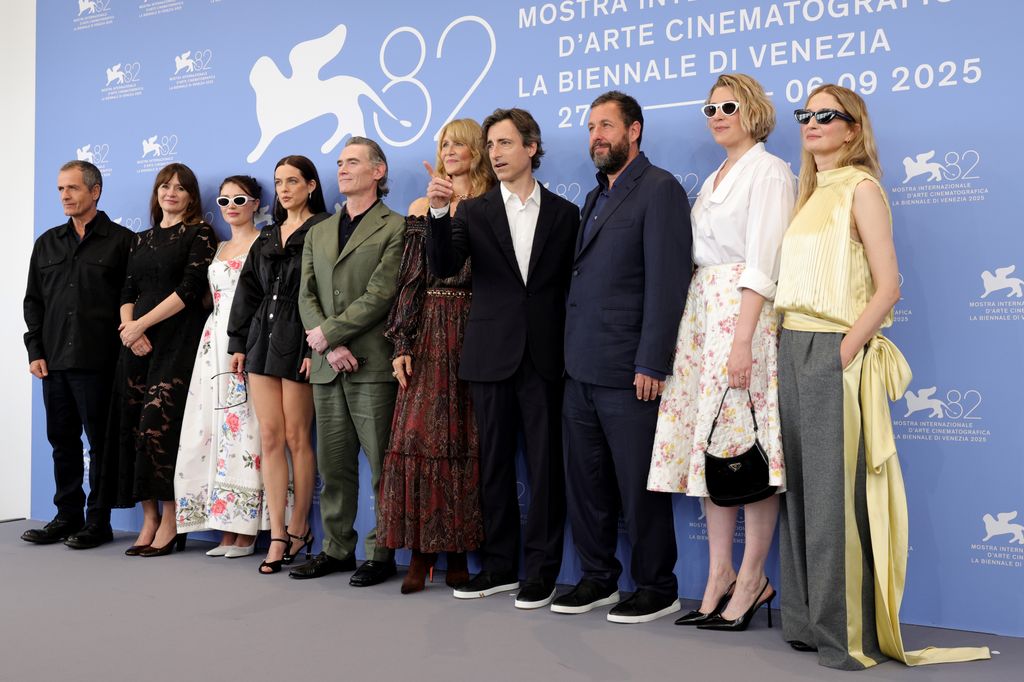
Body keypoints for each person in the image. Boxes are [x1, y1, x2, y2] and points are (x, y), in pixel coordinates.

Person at [774, 84, 990, 669]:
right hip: (790, 347)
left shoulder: (861, 189)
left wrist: (843, 351)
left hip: (829, 349)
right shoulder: (809, 192)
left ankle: (845, 635)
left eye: (828, 115)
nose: (814, 123)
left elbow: (889, 284)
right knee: (801, 495)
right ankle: (806, 623)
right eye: (807, 115)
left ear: (853, 128)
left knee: (833, 502)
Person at [647, 75, 794, 631]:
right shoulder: (713, 178)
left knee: (749, 449)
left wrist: (742, 340)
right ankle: (719, 575)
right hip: (703, 318)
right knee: (713, 451)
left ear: (753, 111)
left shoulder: (770, 171)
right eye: (710, 107)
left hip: (743, 319)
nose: (717, 114)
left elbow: (763, 262)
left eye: (728, 105)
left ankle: (754, 577)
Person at [426, 108, 579, 609]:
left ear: (531, 148)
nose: (495, 152)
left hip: (544, 356)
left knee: (545, 469)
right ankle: (497, 567)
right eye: (491, 144)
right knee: (491, 467)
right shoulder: (472, 211)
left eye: (506, 143)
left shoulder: (564, 213)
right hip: (490, 355)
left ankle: (541, 572)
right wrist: (437, 215)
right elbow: (444, 266)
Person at [555, 91, 690, 624]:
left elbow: (667, 282)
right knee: (586, 487)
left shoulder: (659, 190)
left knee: (638, 488)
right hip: (579, 368)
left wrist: (652, 362)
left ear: (634, 130)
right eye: (591, 127)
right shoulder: (594, 197)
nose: (596, 136)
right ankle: (597, 579)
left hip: (630, 371)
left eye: (606, 125)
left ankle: (658, 586)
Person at [377, 119, 495, 594]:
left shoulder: (492, 202)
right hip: (428, 330)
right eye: (444, 143)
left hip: (477, 329)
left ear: (477, 151)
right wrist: (401, 342)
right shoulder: (421, 207)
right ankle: (421, 551)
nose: (450, 151)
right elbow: (409, 278)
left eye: (459, 143)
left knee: (466, 440)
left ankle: (460, 550)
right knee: (419, 438)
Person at [292, 137, 406, 587]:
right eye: (339, 162)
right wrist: (327, 345)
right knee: (333, 467)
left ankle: (381, 552)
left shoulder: (396, 226)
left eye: (353, 161)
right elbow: (306, 293)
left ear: (378, 172)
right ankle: (336, 549)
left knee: (381, 465)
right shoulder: (318, 229)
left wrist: (332, 334)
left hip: (371, 363)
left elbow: (383, 293)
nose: (342, 168)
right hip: (328, 363)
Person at [99, 162, 217, 557]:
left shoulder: (199, 233)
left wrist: (141, 326)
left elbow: (190, 288)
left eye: (180, 188)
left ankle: (172, 519)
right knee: (132, 428)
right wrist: (129, 329)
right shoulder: (140, 239)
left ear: (190, 197)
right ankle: (148, 518)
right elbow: (127, 289)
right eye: (165, 186)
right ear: (157, 193)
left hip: (176, 341)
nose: (171, 193)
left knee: (159, 430)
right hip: (135, 344)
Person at [21, 160, 133, 549]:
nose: (65, 196)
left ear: (95, 191)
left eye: (72, 188)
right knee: (61, 442)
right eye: (60, 189)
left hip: (99, 363)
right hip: (53, 362)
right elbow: (33, 301)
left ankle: (97, 522)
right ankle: (66, 516)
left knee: (100, 445)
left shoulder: (122, 242)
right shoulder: (47, 242)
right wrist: (35, 349)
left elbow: (129, 301)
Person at [228, 156, 329, 574]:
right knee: (269, 437)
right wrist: (237, 342)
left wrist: (312, 349)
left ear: (310, 185)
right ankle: (278, 535)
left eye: (292, 181)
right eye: (278, 182)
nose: (284, 189)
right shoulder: (267, 235)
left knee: (296, 436)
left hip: (302, 339)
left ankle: (300, 525)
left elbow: (326, 290)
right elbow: (247, 290)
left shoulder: (324, 230)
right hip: (260, 342)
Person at [174, 175, 266, 557]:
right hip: (213, 339)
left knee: (244, 427)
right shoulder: (221, 245)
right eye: (224, 200)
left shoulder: (264, 242)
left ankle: (247, 529)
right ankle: (223, 525)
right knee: (209, 428)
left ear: (257, 203)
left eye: (239, 199)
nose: (231, 206)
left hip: (245, 338)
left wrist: (247, 340)